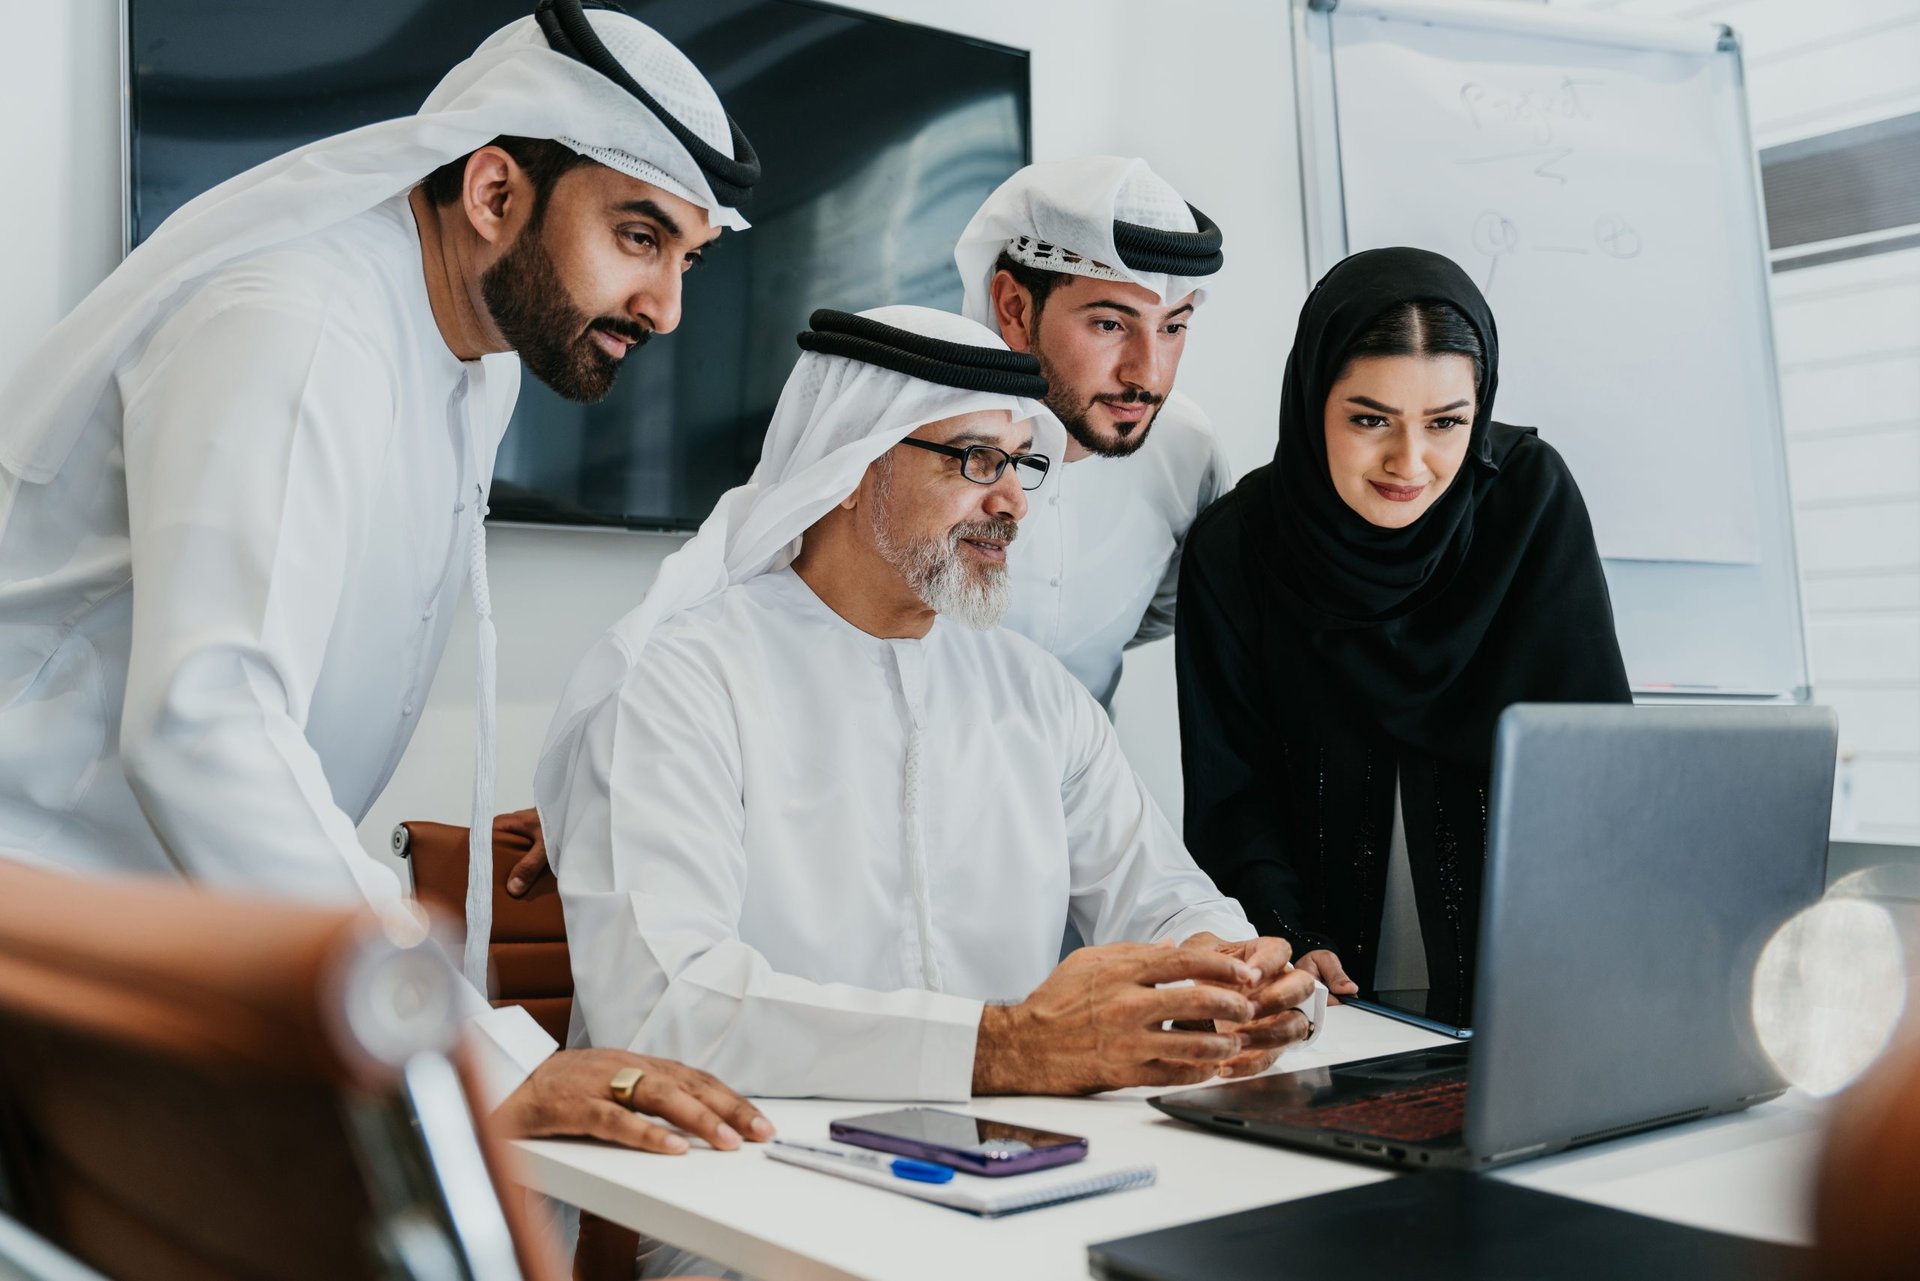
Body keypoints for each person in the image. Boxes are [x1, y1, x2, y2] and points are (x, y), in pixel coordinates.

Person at [0, 1, 769, 1153]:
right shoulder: (298, 323)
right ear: (495, 192)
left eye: (688, 259)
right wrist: (471, 1051)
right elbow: (208, 724)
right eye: (639, 237)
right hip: (50, 939)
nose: (665, 308)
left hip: (175, 949)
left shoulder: (475, 352)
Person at [536, 306, 1326, 1104]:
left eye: (1023, 464)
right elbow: (667, 1005)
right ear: (850, 467)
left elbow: (1164, 894)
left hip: (1021, 1157)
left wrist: (1231, 969)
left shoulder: (1035, 694)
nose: (1014, 501)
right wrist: (1008, 1048)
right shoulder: (685, 682)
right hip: (749, 1175)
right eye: (977, 460)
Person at [1177, 247, 1631, 1026]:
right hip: (1318, 992)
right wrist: (1287, 934)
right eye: (1369, 419)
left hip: (1533, 982)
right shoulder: (1237, 547)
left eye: (1448, 422)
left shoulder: (1528, 504)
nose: (1410, 462)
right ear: (1313, 398)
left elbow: (1594, 757)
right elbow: (1230, 797)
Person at [953, 157, 1233, 712]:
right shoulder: (914, 444)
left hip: (1083, 791)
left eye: (1172, 327)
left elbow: (1167, 610)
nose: (1147, 376)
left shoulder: (1189, 451)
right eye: (1110, 325)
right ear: (1013, 308)